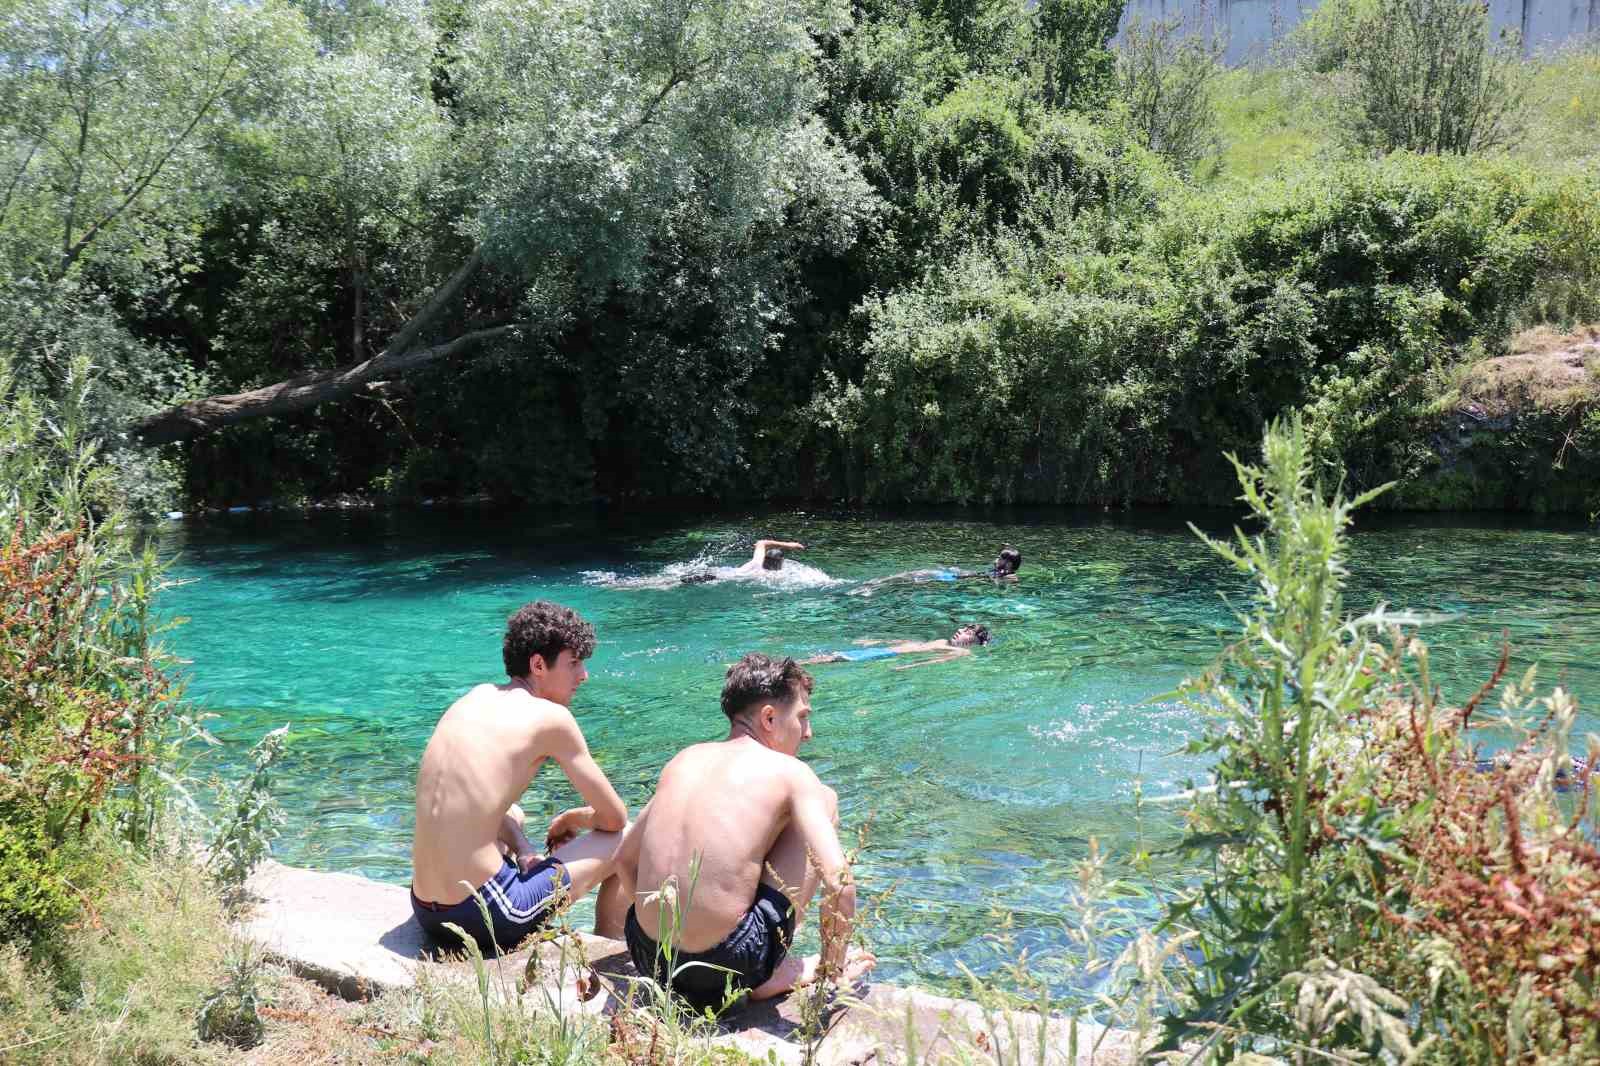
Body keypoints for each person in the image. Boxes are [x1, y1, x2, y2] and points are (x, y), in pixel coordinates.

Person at [614, 654, 875, 1012]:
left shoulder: (685, 758)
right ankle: (772, 973)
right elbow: (840, 883)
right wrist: (834, 971)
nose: (808, 733)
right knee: (823, 799)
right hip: (729, 967)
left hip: (651, 958)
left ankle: (729, 947)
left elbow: (624, 860)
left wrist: (665, 932)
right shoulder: (790, 772)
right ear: (769, 717)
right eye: (802, 717)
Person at [411, 601, 630, 955]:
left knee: (511, 813)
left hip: (425, 909)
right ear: (538, 665)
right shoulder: (551, 718)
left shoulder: (474, 697)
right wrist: (571, 819)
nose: (584, 675)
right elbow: (613, 818)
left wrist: (526, 850)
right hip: (485, 915)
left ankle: (520, 865)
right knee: (625, 838)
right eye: (573, 663)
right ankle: (607, 947)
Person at [848, 545, 1022, 596]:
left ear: (1008, 564)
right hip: (955, 576)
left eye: (1000, 557)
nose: (995, 559)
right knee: (913, 575)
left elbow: (1007, 582)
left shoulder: (1010, 576)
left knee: (914, 576)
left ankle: (874, 585)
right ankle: (876, 584)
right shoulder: (1001, 573)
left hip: (953, 579)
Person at [801, 624, 991, 669]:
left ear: (974, 641)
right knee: (831, 657)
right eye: (963, 627)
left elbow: (934, 660)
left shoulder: (960, 651)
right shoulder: (943, 642)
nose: (960, 630)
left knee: (834, 658)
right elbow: (913, 645)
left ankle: (796, 664)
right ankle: (795, 663)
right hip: (886, 650)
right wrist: (877, 641)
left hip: (887, 655)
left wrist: (908, 666)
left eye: (967, 631)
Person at [736, 538, 807, 575]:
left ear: (764, 558)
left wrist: (789, 545)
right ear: (781, 561)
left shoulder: (755, 563)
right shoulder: (779, 576)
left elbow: (761, 542)